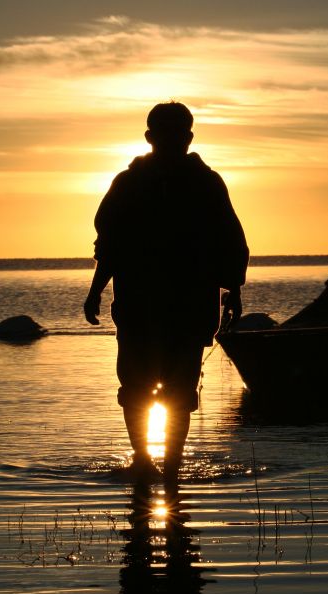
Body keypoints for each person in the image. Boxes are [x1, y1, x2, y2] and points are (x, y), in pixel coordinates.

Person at [84, 101, 249, 487]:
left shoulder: (205, 183)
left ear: (188, 138)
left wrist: (234, 290)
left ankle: (167, 467)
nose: (173, 141)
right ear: (150, 138)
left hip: (184, 307)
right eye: (166, 134)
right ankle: (147, 460)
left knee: (175, 388)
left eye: (178, 134)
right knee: (140, 387)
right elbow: (109, 243)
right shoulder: (130, 184)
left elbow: (230, 240)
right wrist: (95, 290)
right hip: (146, 305)